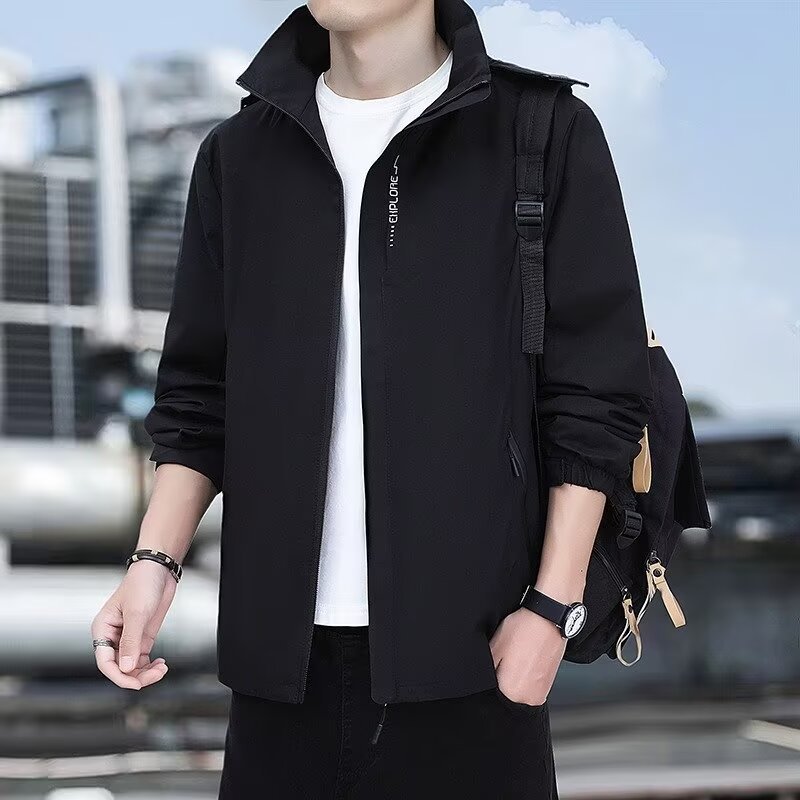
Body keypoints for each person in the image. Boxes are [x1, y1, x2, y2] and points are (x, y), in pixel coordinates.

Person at [91, 0, 652, 796]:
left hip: (475, 661)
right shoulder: (238, 155)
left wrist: (552, 609)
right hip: (278, 676)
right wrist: (153, 562)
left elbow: (595, 393)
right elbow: (198, 395)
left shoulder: (541, 131)